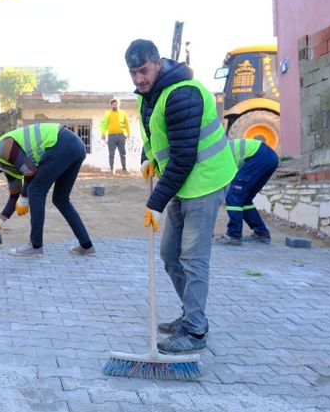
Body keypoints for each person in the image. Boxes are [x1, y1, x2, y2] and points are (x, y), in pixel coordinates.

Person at [126, 39, 237, 355]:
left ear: (158, 63)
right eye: (133, 73)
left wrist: (155, 203)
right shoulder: (148, 96)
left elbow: (185, 157)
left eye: (143, 71)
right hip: (182, 183)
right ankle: (190, 315)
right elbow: (153, 135)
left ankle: (195, 331)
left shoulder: (182, 95)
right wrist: (147, 158)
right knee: (169, 255)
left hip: (205, 181)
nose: (138, 79)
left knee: (192, 258)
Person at [0, 123, 95, 256]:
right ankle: (86, 246)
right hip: (75, 146)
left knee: (35, 192)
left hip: (61, 143)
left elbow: (30, 172)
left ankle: (35, 246)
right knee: (60, 199)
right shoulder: (8, 166)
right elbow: (14, 196)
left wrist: (24, 197)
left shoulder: (2, 148)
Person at [218, 139, 279, 245]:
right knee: (245, 199)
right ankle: (261, 233)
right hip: (270, 157)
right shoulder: (215, 151)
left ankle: (234, 235)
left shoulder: (214, 158)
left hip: (258, 156)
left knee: (233, 196)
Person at [99, 97, 131, 174]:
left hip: (121, 135)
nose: (115, 105)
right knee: (111, 154)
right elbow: (103, 124)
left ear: (119, 105)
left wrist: (128, 134)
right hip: (111, 136)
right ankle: (112, 169)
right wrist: (103, 133)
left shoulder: (122, 113)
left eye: (116, 104)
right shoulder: (107, 113)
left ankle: (124, 169)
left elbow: (127, 124)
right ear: (111, 105)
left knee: (123, 153)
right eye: (113, 104)